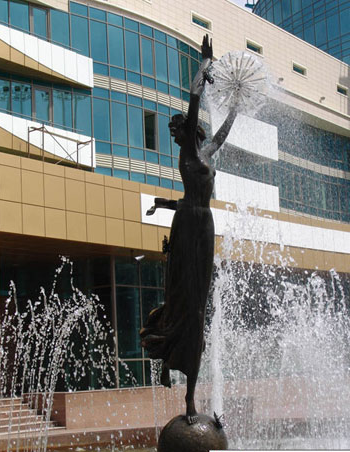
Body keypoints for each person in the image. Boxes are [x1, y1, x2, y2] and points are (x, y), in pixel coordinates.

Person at [140, 35, 239, 424]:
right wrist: (202, 67)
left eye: (176, 131)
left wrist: (234, 104)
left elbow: (222, 133)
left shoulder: (206, 153)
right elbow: (194, 103)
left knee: (199, 308)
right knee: (181, 297)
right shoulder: (186, 155)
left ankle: (189, 395)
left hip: (203, 225)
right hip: (187, 227)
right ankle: (171, 364)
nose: (175, 137)